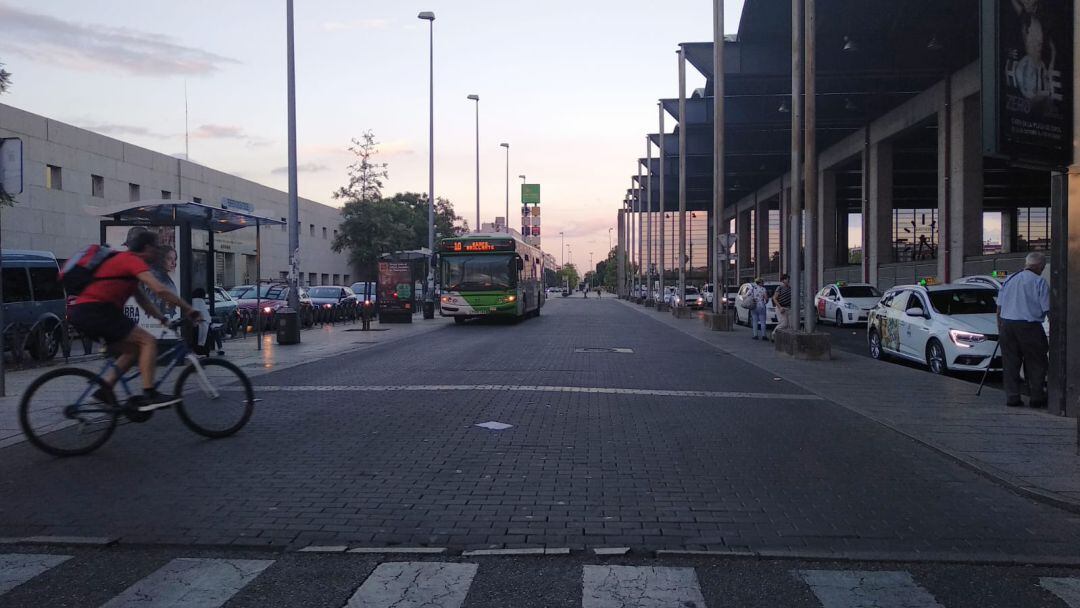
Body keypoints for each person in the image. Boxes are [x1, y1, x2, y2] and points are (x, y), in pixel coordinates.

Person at [68, 231, 201, 410]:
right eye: (156, 248)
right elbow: (159, 290)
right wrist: (189, 309)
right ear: (146, 248)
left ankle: (104, 390)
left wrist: (162, 318)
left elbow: (142, 299)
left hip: (87, 312)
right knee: (147, 341)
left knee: (133, 350)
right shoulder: (131, 260)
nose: (158, 254)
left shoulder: (125, 266)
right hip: (97, 311)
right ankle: (149, 394)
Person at [997, 251, 1050, 408]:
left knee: (1010, 363)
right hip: (1029, 327)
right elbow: (1047, 309)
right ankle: (1036, 397)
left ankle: (1012, 397)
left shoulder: (1009, 280)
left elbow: (999, 308)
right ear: (1040, 266)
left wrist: (1000, 328)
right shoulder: (1039, 282)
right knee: (1036, 362)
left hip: (1007, 325)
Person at [771, 274, 792, 341]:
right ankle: (774, 334)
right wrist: (780, 307)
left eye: (788, 279)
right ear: (783, 280)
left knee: (789, 325)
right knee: (784, 323)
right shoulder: (779, 288)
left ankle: (785, 338)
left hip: (789, 308)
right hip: (781, 307)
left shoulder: (790, 288)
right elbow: (774, 298)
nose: (788, 280)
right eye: (786, 279)